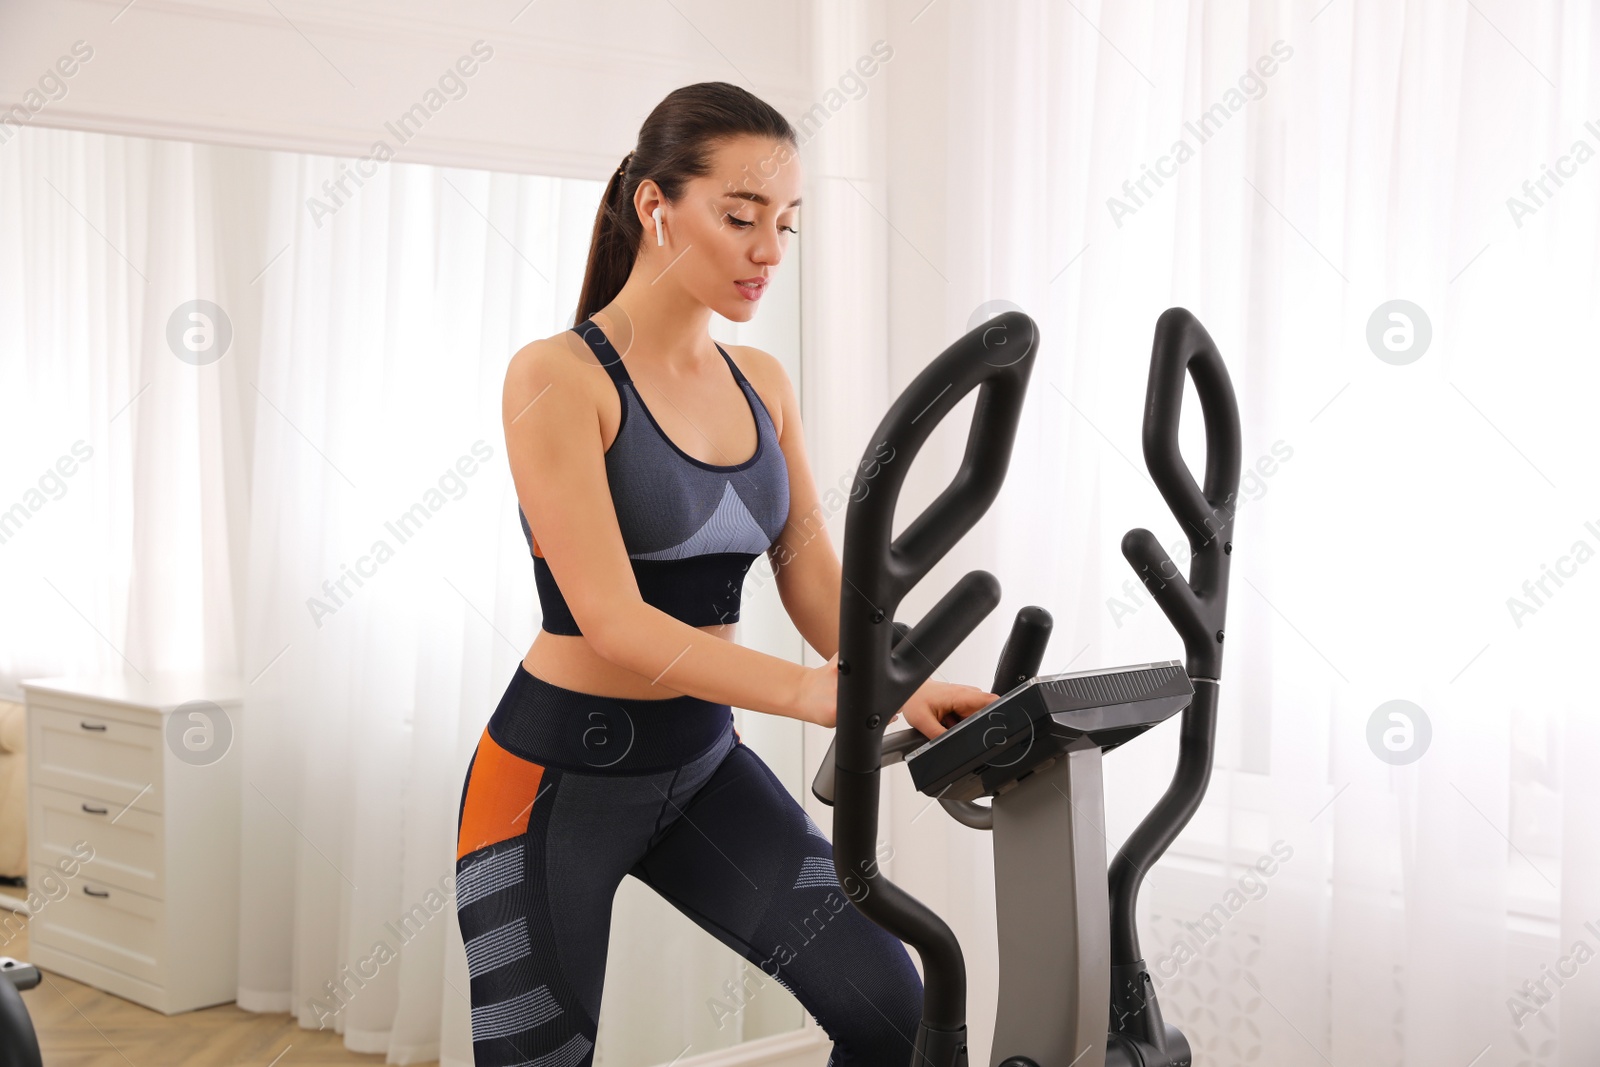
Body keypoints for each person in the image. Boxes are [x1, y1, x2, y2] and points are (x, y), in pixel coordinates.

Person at [454, 81, 997, 1067]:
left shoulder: (763, 383)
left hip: (703, 769)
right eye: (741, 217)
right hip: (550, 783)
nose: (769, 252)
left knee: (891, 1010)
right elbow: (612, 619)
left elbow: (810, 577)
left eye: (785, 223)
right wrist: (804, 690)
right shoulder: (556, 378)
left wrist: (898, 683)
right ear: (656, 206)